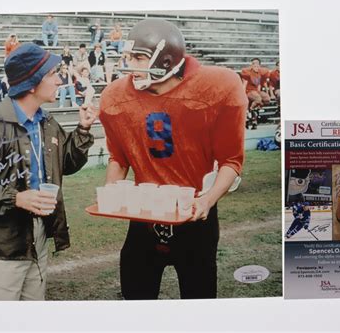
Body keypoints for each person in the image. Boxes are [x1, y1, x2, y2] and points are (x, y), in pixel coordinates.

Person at [99, 19, 247, 299]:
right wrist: (111, 191)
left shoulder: (216, 86)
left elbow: (231, 161)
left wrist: (208, 199)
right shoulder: (116, 96)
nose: (130, 65)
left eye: (139, 58)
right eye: (128, 56)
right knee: (136, 299)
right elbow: (118, 157)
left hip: (194, 215)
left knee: (198, 301)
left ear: (166, 62)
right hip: (145, 215)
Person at [0, 43, 97, 300]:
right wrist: (16, 198)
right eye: (53, 74)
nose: (59, 80)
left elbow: (66, 163)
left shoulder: (47, 122)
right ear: (32, 84)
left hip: (37, 239)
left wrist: (83, 130)